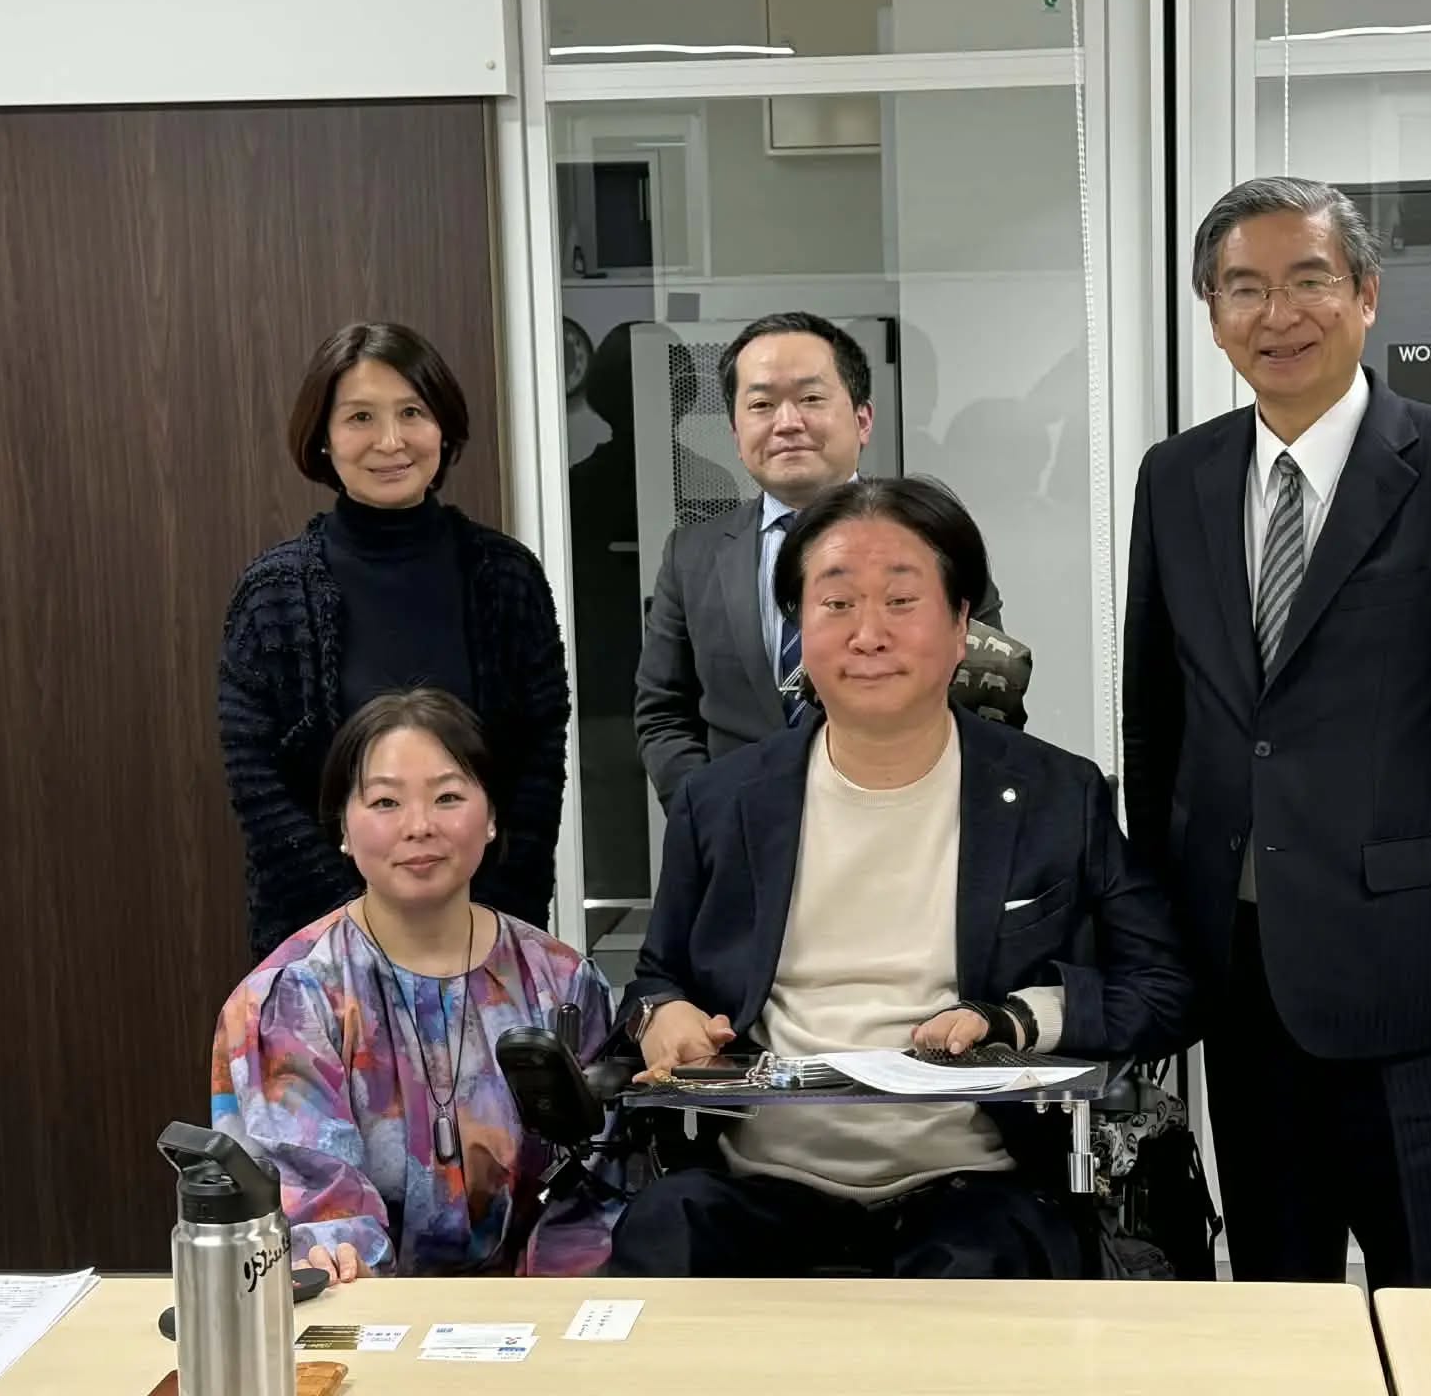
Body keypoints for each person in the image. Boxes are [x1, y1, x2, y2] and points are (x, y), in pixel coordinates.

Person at [1122, 176, 1431, 1291]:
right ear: (1212, 315)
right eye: (1243, 288)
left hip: (1421, 985)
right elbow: (1156, 722)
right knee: (1278, 1304)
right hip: (1240, 977)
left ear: (1365, 295)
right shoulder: (1176, 478)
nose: (1277, 314)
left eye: (1308, 281)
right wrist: (1158, 941)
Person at [607, 476, 1190, 1278]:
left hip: (974, 1183)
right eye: (837, 604)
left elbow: (1164, 988)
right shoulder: (722, 801)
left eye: (902, 602)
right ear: (799, 629)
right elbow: (654, 978)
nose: (868, 634)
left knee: (992, 1267)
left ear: (960, 626)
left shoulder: (1056, 794)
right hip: (758, 1179)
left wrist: (1022, 1018)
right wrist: (660, 1014)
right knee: (661, 1238)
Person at [212, 688, 614, 1279]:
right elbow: (317, 1210)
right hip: (364, 1313)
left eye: (448, 797)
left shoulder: (563, 984)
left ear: (491, 816)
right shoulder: (290, 998)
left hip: (544, 1316)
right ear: (343, 827)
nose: (419, 826)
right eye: (385, 802)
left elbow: (596, 1192)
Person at [219, 322, 570, 958]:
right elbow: (258, 782)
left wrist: (486, 919)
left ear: (443, 427)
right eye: (360, 417)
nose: (390, 441)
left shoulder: (507, 577)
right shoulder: (272, 594)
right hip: (320, 949)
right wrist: (366, 929)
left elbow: (538, 763)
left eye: (412, 412)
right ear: (323, 437)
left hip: (485, 935)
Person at [632, 311, 1007, 805]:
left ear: (863, 419)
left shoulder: (935, 537)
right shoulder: (692, 555)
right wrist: (706, 813)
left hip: (908, 818)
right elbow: (664, 712)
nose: (787, 423)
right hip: (742, 826)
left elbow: (989, 697)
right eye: (762, 404)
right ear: (736, 435)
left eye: (811, 399)